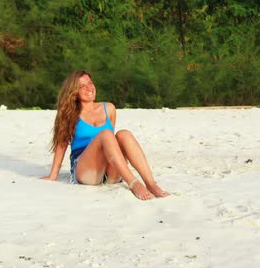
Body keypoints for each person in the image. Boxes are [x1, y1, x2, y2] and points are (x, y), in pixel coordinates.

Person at [42, 71, 170, 200]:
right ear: (74, 91)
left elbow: (112, 145)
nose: (89, 88)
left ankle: (151, 184)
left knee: (123, 134)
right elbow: (61, 144)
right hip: (86, 170)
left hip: (110, 172)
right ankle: (133, 183)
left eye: (90, 83)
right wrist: (53, 175)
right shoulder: (70, 114)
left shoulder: (109, 108)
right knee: (106, 134)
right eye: (82, 86)